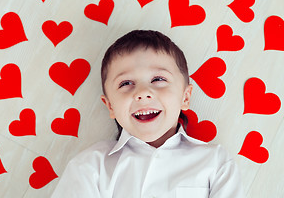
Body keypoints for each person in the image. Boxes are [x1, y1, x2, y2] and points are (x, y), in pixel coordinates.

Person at [51, 30, 244, 198]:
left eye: (158, 79)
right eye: (126, 83)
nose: (142, 93)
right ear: (110, 106)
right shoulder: (90, 167)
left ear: (185, 97)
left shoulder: (216, 162)